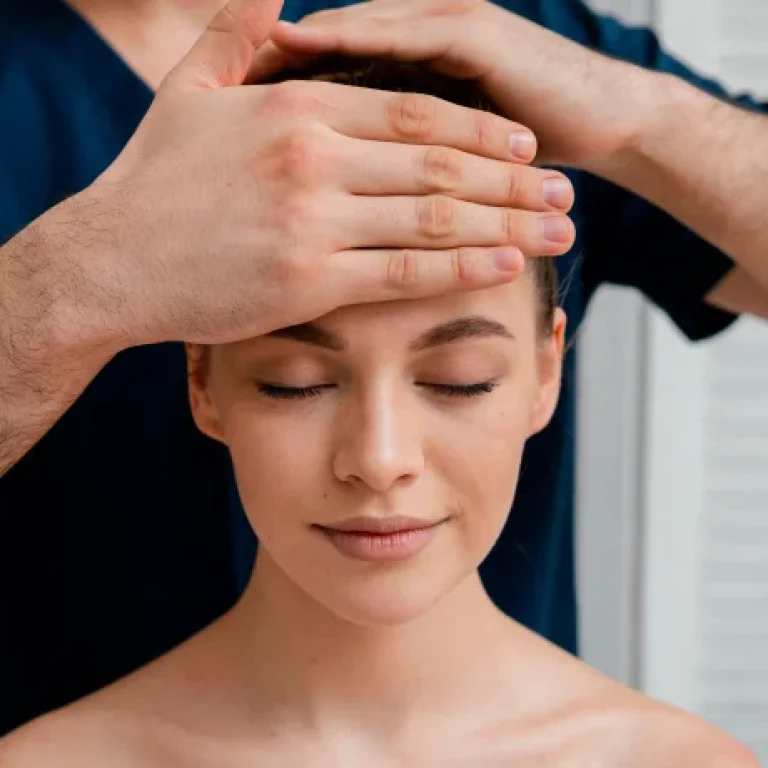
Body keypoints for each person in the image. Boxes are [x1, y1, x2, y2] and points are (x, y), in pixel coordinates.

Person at [0, 0, 766, 742]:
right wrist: (78, 275)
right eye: (292, 381)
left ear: (546, 368)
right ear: (200, 379)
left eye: (460, 377)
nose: (380, 460)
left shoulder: (491, 29)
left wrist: (642, 123)